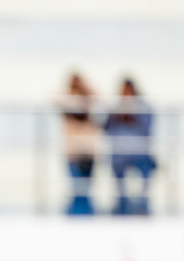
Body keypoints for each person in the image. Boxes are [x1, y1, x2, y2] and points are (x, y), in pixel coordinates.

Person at [104, 78, 155, 216]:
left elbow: (147, 128)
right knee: (120, 185)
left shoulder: (144, 107)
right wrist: (117, 116)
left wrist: (132, 118)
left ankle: (143, 208)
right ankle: (121, 209)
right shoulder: (115, 108)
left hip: (140, 153)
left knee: (146, 177)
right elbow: (106, 128)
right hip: (120, 155)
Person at [58, 73, 99, 216]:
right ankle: (75, 217)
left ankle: (86, 217)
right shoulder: (66, 103)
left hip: (88, 152)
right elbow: (55, 99)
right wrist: (73, 94)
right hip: (73, 153)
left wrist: (84, 90)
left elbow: (97, 96)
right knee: (76, 188)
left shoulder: (88, 102)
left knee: (87, 189)